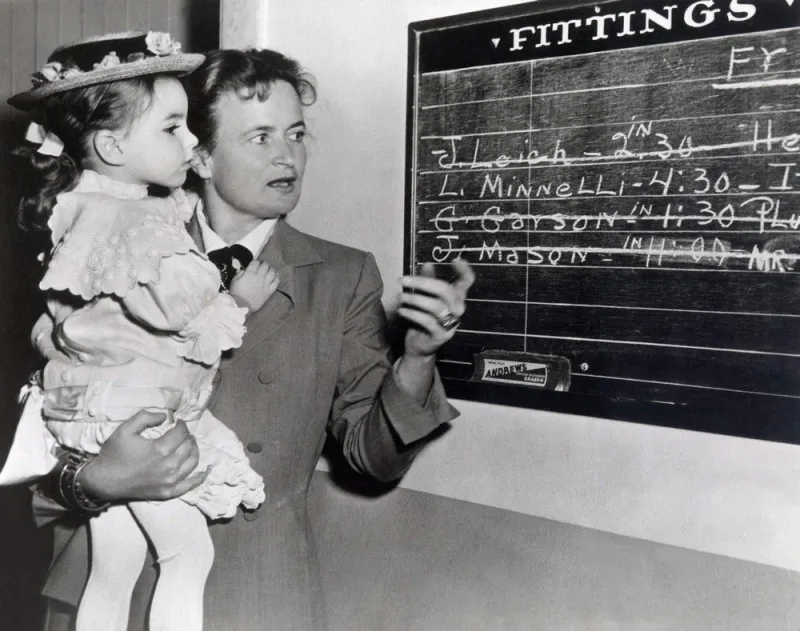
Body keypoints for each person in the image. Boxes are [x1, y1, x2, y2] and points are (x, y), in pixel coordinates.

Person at [31, 48, 475, 631]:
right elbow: (49, 417)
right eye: (260, 137)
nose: (289, 155)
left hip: (258, 593)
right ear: (202, 154)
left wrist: (417, 358)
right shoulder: (113, 242)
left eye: (295, 133)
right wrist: (91, 478)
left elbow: (374, 461)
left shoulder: (343, 276)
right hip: (106, 582)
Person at [2, 33, 280, 631]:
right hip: (137, 414)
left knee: (117, 566)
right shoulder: (134, 224)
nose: (190, 141)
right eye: (172, 127)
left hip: (91, 415)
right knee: (188, 554)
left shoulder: (88, 204)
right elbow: (174, 312)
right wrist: (236, 300)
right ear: (109, 144)